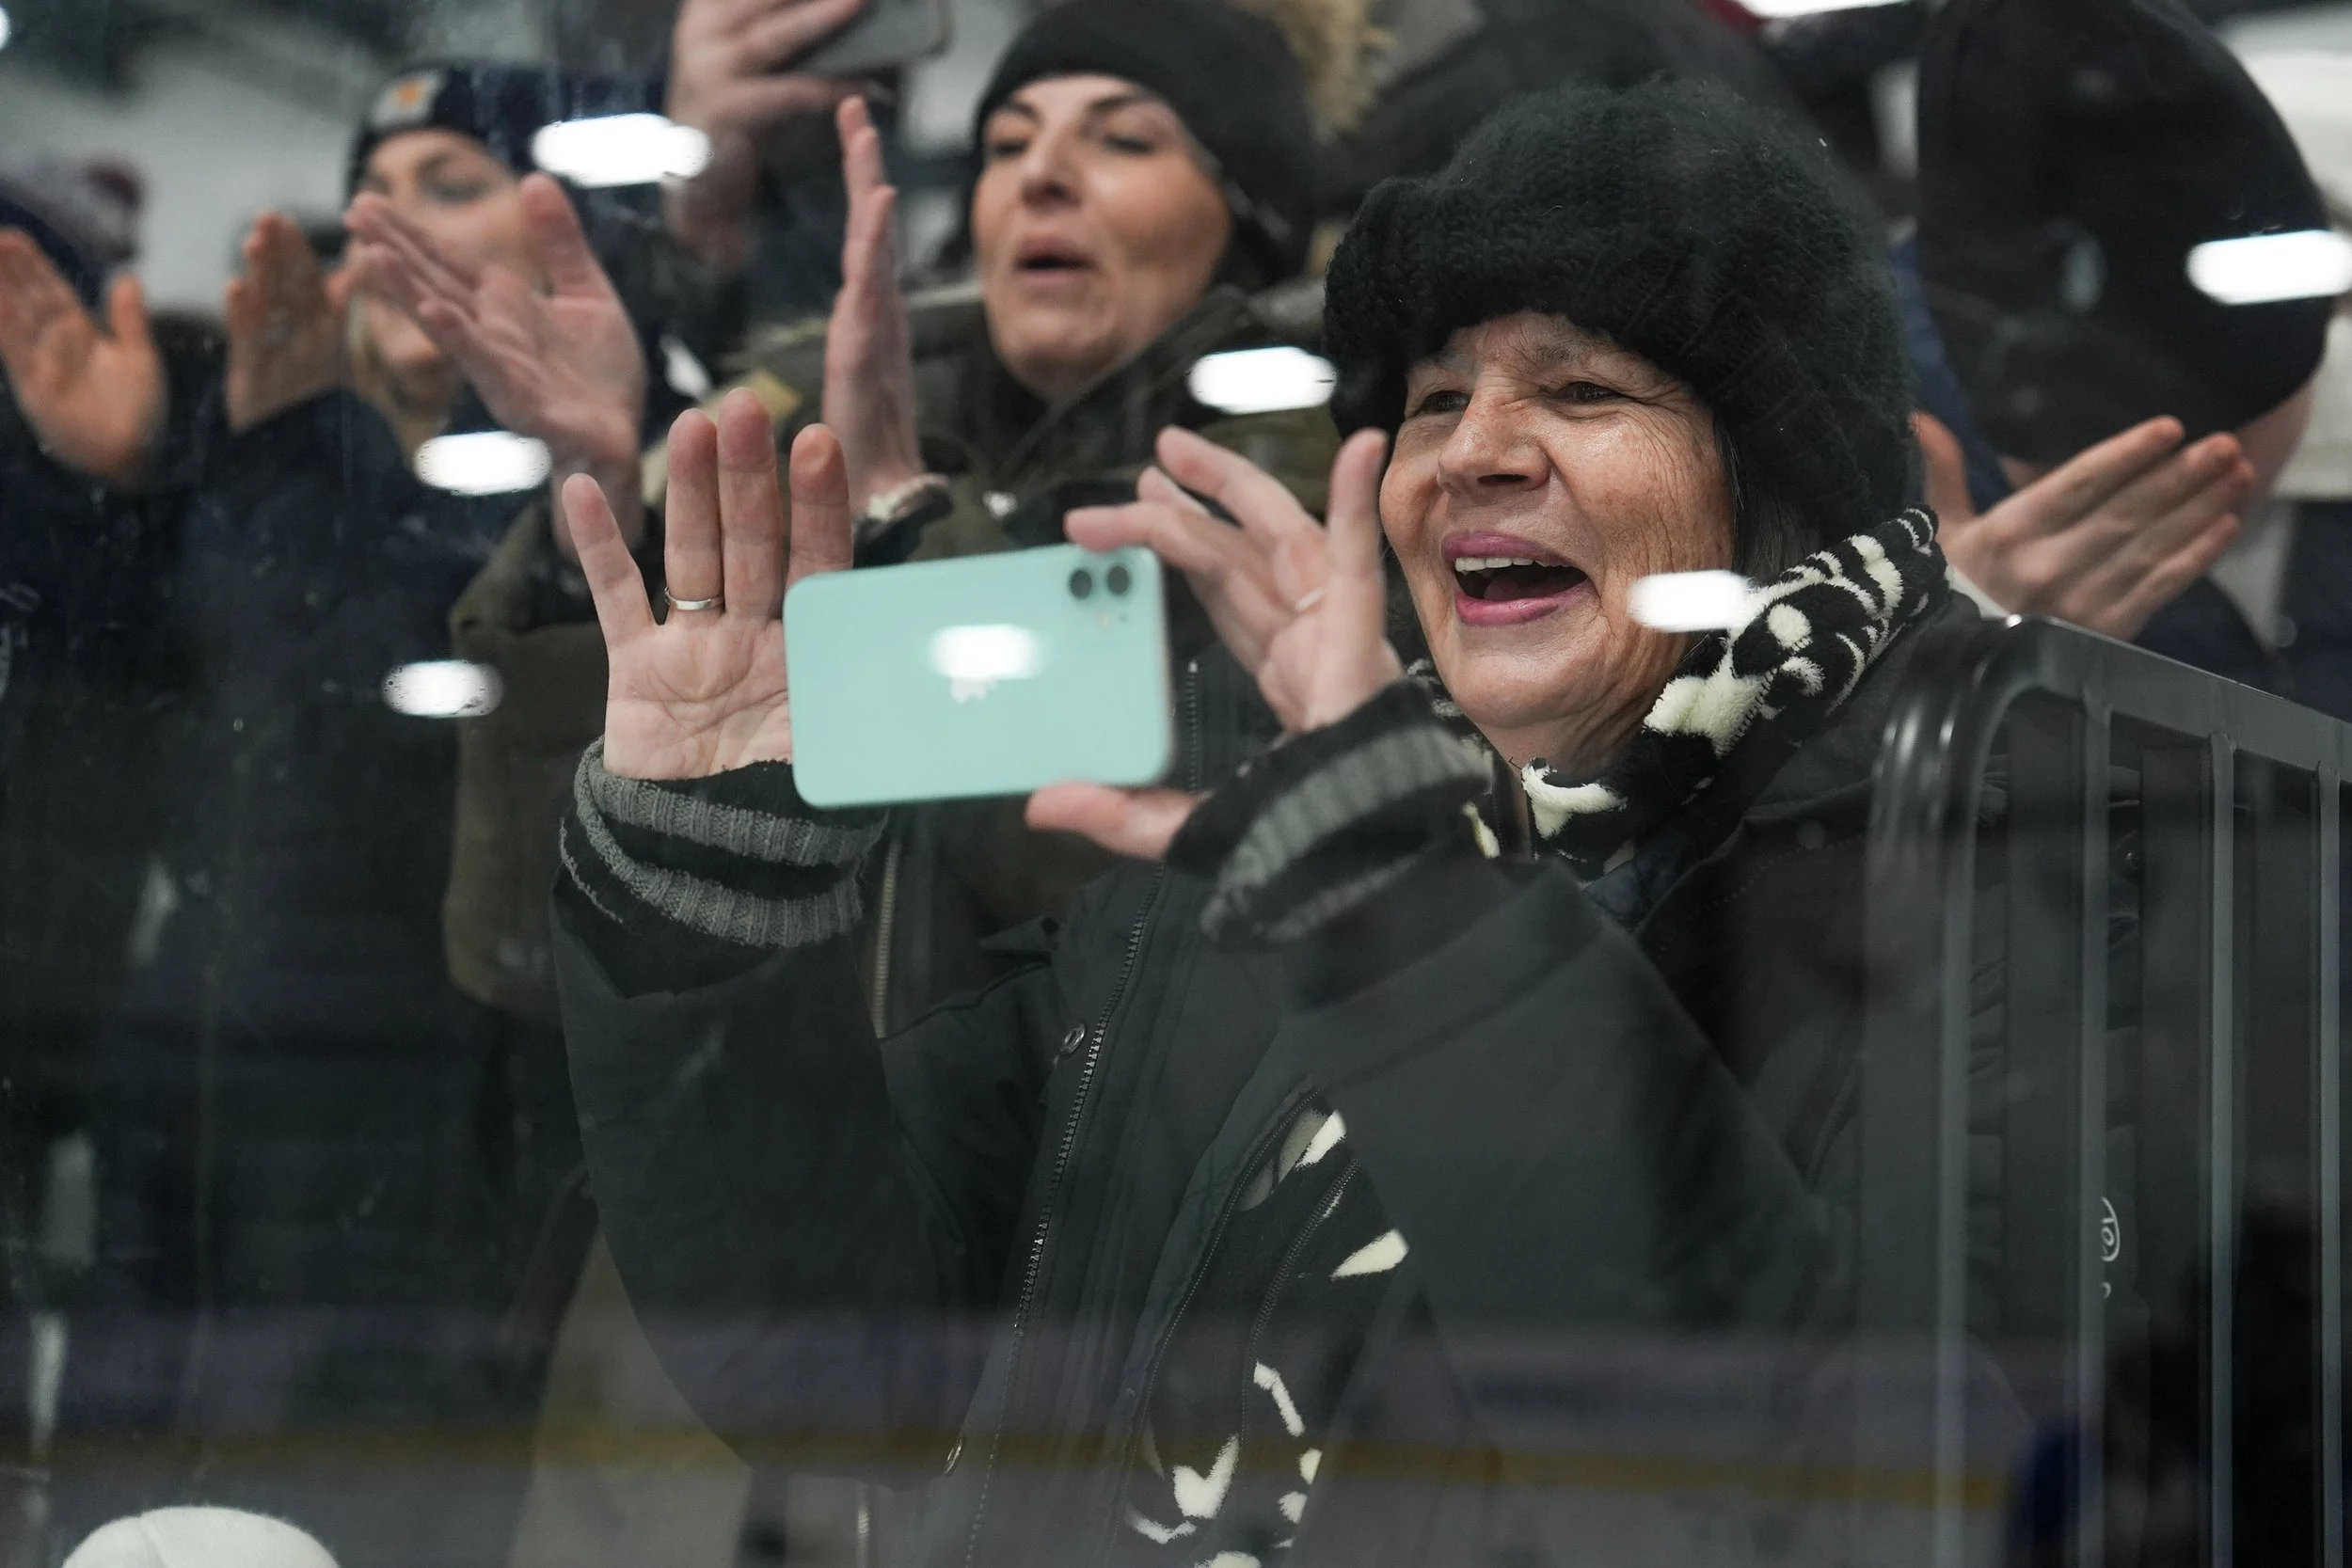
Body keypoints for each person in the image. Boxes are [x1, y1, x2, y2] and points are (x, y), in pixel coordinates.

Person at [548, 81, 1994, 1564]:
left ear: (1775, 493)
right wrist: (699, 887)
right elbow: (841, 1371)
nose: (1476, 452)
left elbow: (1830, 1503)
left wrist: (1402, 906)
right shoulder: (1230, 892)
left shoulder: (1977, 895)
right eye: (1436, 401)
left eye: (1583, 393)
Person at [364, 0, 1335, 1036]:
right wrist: (596, 516)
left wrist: (917, 530)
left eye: (1125, 138)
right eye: (1006, 145)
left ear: (1252, 219)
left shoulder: (1297, 526)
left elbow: (1107, 954)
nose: (1039, 175)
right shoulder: (808, 466)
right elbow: (536, 955)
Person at [1912, 0, 2336, 699]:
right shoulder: (1865, 455)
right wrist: (1937, 661)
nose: (2168, 481)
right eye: (2084, 445)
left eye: (2218, 422)